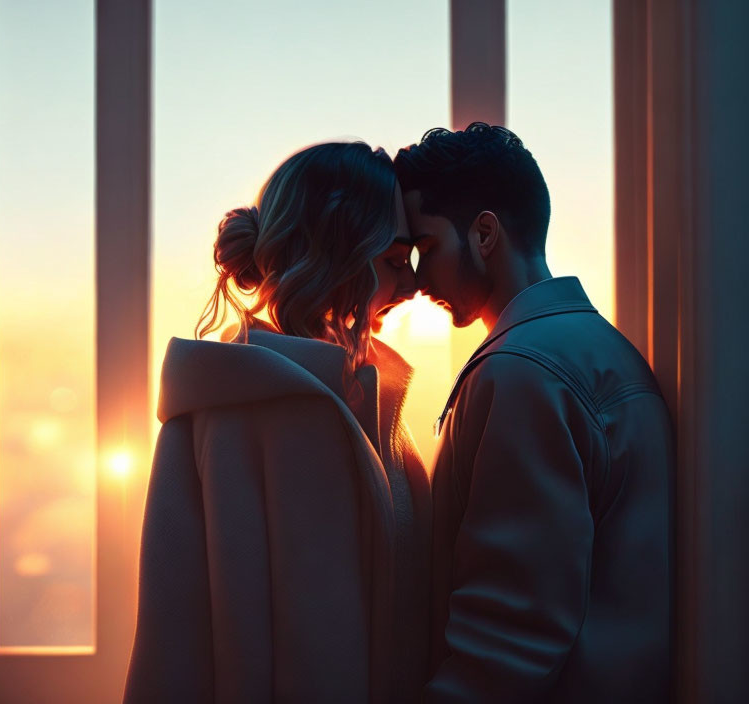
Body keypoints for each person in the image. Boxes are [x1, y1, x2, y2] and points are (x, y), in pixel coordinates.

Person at [123, 141, 431, 703]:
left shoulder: (369, 396)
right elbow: (176, 635)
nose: (412, 288)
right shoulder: (237, 412)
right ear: (334, 254)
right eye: (393, 261)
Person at [394, 123, 674, 703]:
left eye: (427, 247)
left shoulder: (522, 373)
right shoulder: (599, 350)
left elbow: (509, 636)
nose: (418, 280)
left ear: (485, 233)